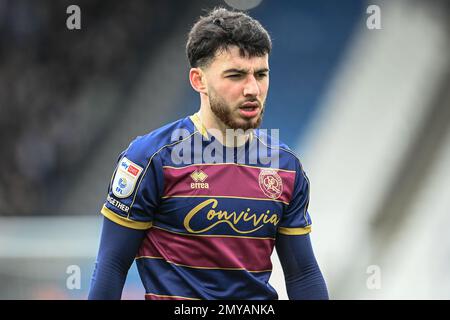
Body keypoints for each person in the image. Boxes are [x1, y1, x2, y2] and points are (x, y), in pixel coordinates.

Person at [88, 7, 328, 300]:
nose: (252, 88)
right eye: (236, 75)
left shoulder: (286, 167)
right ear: (199, 80)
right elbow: (112, 265)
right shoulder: (149, 158)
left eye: (261, 74)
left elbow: (302, 273)